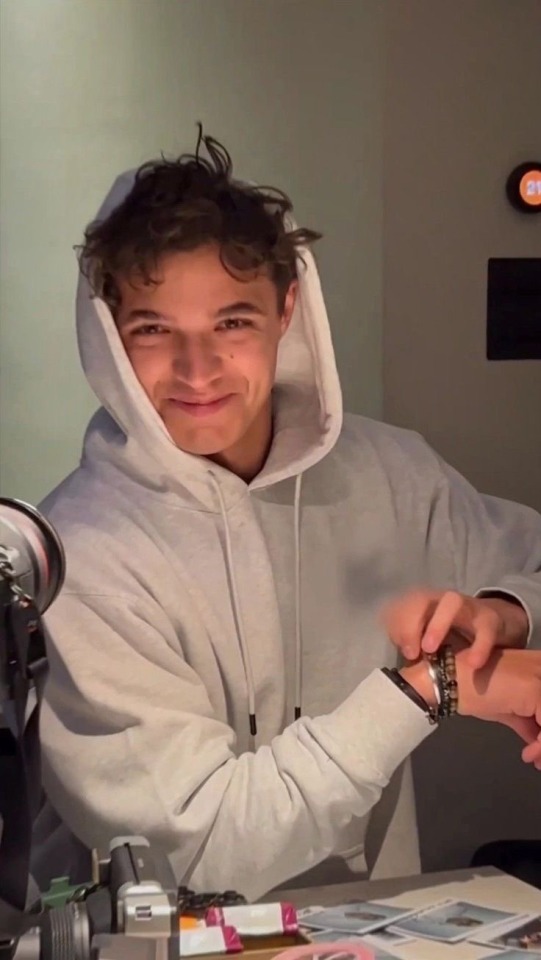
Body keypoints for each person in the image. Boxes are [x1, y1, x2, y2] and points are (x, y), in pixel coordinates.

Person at [38, 131, 541, 900]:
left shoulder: (388, 473)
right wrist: (431, 688)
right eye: (153, 329)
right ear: (111, 337)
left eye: (232, 322)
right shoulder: (80, 557)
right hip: (165, 941)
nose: (197, 370)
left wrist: (504, 613)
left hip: (374, 930)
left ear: (286, 312)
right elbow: (199, 849)